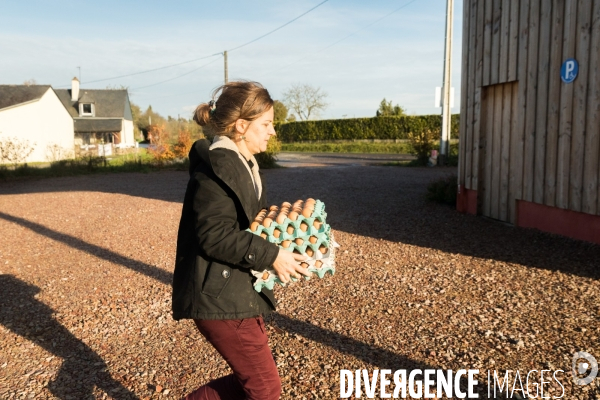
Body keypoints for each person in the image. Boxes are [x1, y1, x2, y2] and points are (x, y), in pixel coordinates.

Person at [173, 81, 311, 400]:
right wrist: (271, 255)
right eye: (266, 124)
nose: (272, 132)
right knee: (264, 388)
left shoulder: (241, 163)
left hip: (231, 290)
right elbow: (214, 235)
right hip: (219, 296)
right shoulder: (218, 168)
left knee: (253, 384)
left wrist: (289, 239)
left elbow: (246, 225)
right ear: (241, 126)